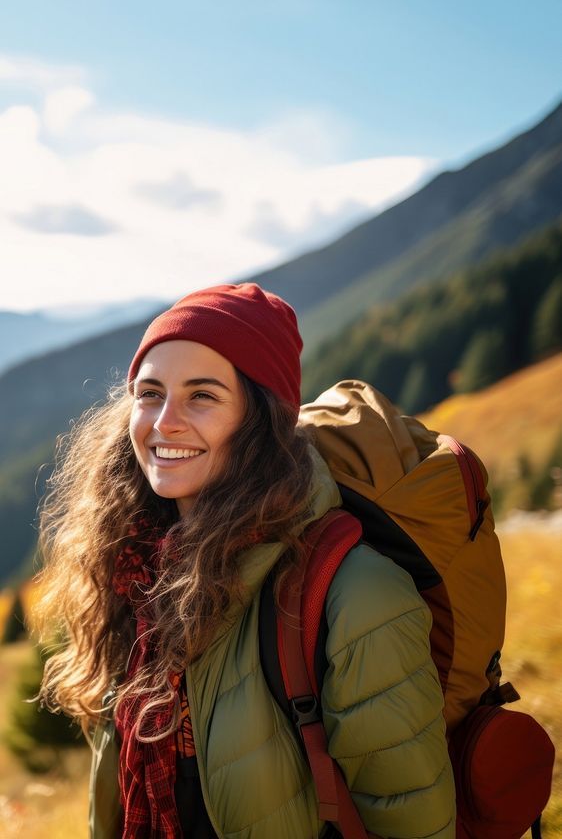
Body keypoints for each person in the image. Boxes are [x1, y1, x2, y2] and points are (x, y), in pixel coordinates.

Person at [36, 283, 456, 839]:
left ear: (260, 420)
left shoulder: (355, 593)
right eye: (149, 392)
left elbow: (412, 820)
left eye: (202, 396)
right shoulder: (135, 571)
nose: (164, 423)